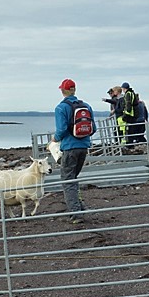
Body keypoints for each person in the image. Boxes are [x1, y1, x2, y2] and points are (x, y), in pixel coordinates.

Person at [51, 78, 93, 224]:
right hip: (84, 146)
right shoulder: (86, 106)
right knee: (73, 178)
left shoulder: (61, 108)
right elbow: (93, 128)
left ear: (63, 91)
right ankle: (80, 207)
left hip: (69, 148)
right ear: (74, 89)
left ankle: (76, 214)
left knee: (68, 180)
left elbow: (61, 130)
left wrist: (54, 140)